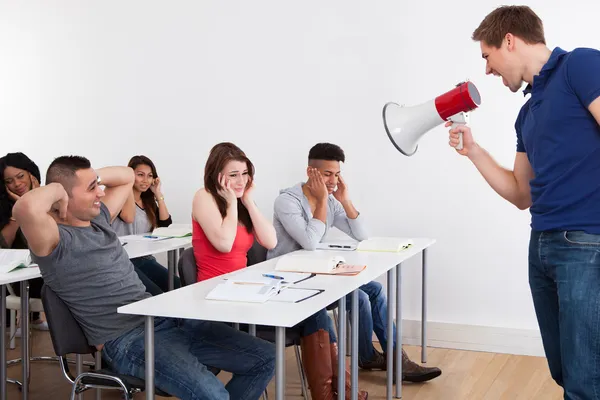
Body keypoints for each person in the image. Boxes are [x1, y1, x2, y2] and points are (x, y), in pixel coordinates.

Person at [13, 155, 275, 400]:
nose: (101, 192)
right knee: (213, 394)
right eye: (92, 188)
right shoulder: (54, 240)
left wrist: (88, 178)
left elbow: (127, 176)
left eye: (98, 185)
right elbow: (25, 207)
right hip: (126, 340)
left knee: (265, 357)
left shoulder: (100, 219)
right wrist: (59, 189)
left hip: (163, 320)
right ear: (64, 196)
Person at [448, 6, 600, 398]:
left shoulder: (579, 66)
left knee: (585, 381)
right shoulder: (528, 112)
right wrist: (474, 151)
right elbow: (521, 193)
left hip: (586, 243)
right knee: (567, 370)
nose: (487, 70)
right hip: (543, 246)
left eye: (487, 56)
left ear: (509, 41)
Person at [192, 142, 368, 400]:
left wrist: (248, 201)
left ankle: (339, 393)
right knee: (315, 312)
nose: (240, 180)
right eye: (233, 175)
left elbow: (270, 241)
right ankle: (336, 394)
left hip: (243, 291)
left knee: (316, 310)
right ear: (216, 175)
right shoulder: (204, 196)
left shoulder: (241, 201)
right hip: (216, 298)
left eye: (244, 174)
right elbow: (224, 242)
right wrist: (232, 202)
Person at [267, 142, 442, 383]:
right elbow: (309, 241)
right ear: (311, 172)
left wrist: (345, 200)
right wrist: (320, 201)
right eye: (327, 174)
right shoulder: (287, 201)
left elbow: (362, 235)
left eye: (337, 174)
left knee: (375, 289)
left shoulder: (330, 200)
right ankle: (368, 356)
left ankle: (393, 358)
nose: (333, 180)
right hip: (290, 278)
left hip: (318, 271)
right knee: (358, 297)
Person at [111, 155, 181, 295]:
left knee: (178, 286)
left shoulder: (147, 202)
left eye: (149, 176)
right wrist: (128, 185)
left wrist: (157, 194)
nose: (145, 180)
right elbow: (128, 217)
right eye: (140, 175)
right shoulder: (120, 198)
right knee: (156, 295)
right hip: (125, 260)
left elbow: (165, 226)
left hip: (144, 258)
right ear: (131, 176)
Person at [0, 152, 48, 331]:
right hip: (19, 276)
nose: (16, 184)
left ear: (31, 174)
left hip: (45, 268)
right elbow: (3, 246)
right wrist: (20, 209)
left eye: (20, 176)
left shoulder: (46, 197)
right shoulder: (5, 205)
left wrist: (34, 202)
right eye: (9, 181)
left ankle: (35, 319)